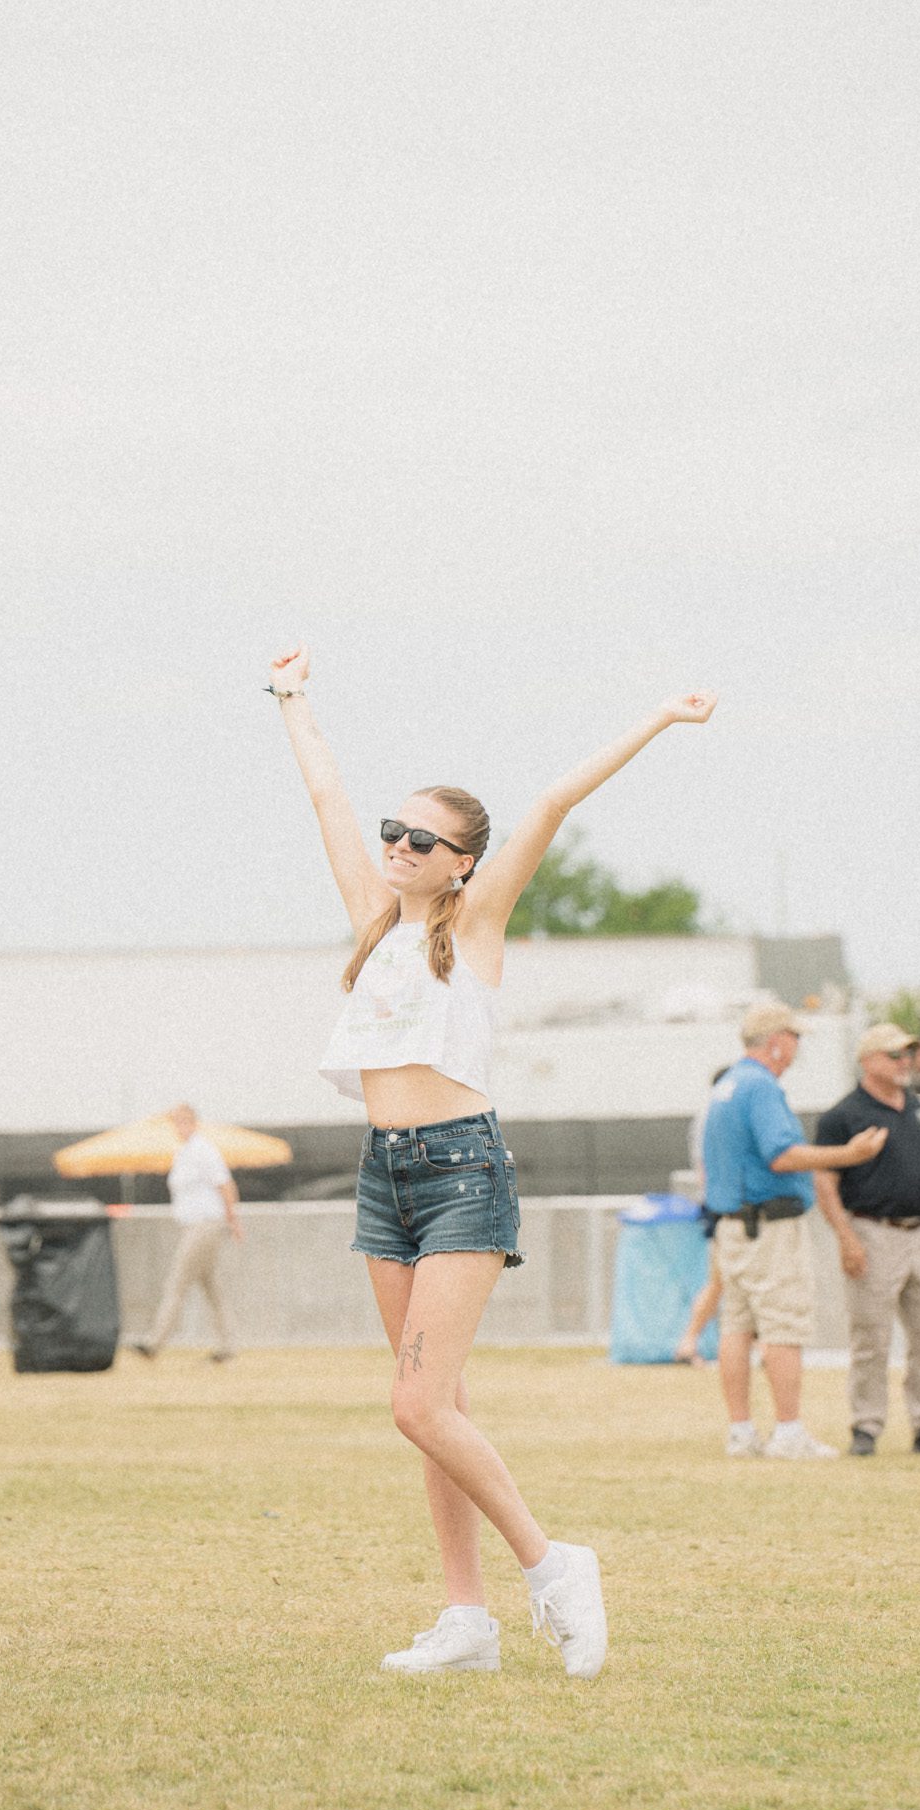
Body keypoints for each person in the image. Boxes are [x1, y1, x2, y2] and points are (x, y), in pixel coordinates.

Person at [269, 641, 717, 1677]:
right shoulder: (374, 920)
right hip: (386, 1175)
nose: (397, 845)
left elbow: (555, 801)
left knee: (417, 1403)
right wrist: (293, 698)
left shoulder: (476, 927)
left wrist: (660, 715)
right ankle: (466, 1619)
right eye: (395, 830)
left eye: (420, 838)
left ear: (462, 857)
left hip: (464, 1169)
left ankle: (555, 1563)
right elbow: (327, 795)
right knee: (440, 1407)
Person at [702, 1002, 888, 1459]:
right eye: (796, 1038)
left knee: (737, 1326)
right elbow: (781, 1155)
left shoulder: (727, 1084)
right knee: (782, 1325)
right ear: (777, 1041)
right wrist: (849, 1154)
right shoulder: (761, 1087)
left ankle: (741, 1432)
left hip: (733, 1226)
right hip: (769, 1227)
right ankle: (788, 1432)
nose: (799, 1048)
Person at [813, 1024, 920, 1456]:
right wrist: (846, 1238)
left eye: (908, 1055)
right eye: (894, 1055)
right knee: (871, 1337)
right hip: (874, 1232)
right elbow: (825, 1184)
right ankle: (866, 1426)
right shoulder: (843, 1116)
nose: (905, 1063)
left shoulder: (915, 1108)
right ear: (868, 1061)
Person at [135, 1105, 242, 1362]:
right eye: (176, 1122)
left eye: (184, 1121)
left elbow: (225, 1185)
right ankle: (227, 1345)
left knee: (176, 1282)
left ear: (194, 1122)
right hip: (196, 1225)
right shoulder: (183, 1152)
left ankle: (154, 1342)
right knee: (211, 1286)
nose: (180, 1127)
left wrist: (233, 1220)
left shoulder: (203, 1150)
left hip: (205, 1226)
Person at [673, 1066, 730, 1367]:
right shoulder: (716, 1115)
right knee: (721, 1280)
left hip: (714, 1206)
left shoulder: (705, 1116)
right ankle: (689, 1341)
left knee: (723, 1280)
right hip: (723, 1208)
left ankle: (690, 1341)